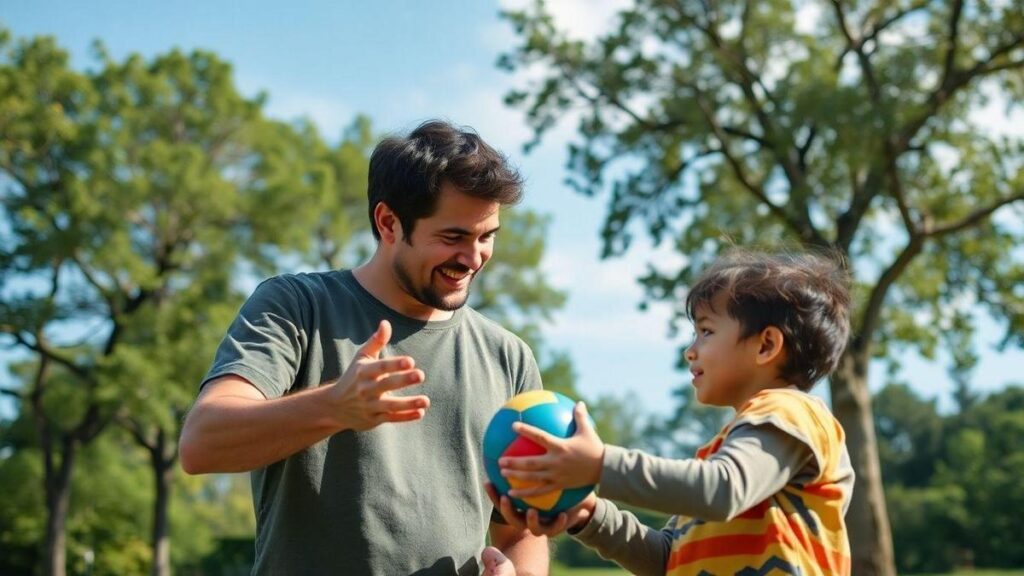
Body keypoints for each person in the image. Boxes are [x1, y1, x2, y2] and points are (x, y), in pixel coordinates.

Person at [179, 119, 549, 576]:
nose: (473, 259)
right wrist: (335, 407)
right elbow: (202, 444)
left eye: (486, 237)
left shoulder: (508, 358)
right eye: (453, 237)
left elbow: (521, 530)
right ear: (388, 222)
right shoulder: (297, 307)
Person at [492, 249, 854, 575]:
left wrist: (600, 464)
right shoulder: (720, 454)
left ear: (767, 345)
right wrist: (587, 514)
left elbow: (723, 490)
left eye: (706, 331)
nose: (690, 351)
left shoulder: (794, 414)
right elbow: (669, 559)